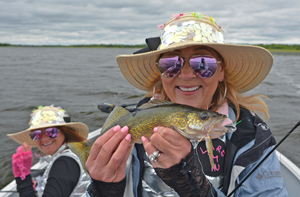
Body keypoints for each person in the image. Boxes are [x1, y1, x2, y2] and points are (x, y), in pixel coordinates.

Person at [85, 12, 288, 196]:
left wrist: (195, 188)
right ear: (161, 72)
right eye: (171, 64)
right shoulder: (130, 124)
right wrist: (105, 189)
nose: (187, 74)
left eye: (203, 63)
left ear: (221, 71)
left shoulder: (251, 137)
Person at [7, 105, 91, 197]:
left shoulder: (64, 164)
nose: (44, 139)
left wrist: (23, 177)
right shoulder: (69, 154)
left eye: (52, 132)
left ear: (65, 132)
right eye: (36, 134)